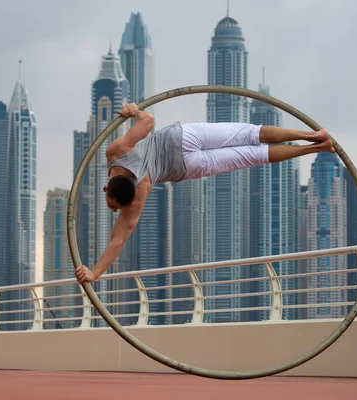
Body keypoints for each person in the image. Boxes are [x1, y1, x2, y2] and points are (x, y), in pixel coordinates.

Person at [75, 102, 334, 284]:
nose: (113, 209)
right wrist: (134, 111)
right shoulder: (116, 151)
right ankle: (313, 136)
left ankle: (315, 147)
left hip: (185, 164)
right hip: (183, 137)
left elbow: (117, 240)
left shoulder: (138, 196)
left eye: (113, 206)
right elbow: (148, 121)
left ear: (106, 189)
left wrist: (96, 272)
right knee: (250, 134)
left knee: (251, 153)